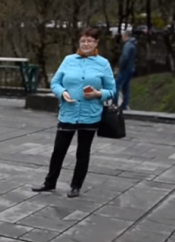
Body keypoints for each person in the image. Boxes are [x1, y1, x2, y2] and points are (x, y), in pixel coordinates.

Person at [32, 27, 116, 198]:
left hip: (90, 114)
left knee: (83, 152)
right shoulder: (68, 60)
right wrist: (62, 93)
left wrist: (98, 94)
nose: (86, 44)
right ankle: (49, 183)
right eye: (83, 40)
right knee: (59, 150)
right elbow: (55, 83)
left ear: (96, 43)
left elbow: (112, 90)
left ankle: (76, 186)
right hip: (68, 113)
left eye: (90, 41)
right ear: (79, 42)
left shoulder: (103, 63)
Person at [114, 30, 136, 110]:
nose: (122, 37)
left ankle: (115, 103)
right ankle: (124, 104)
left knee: (116, 85)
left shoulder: (127, 45)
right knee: (126, 87)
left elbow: (125, 57)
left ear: (126, 36)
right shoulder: (133, 45)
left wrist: (120, 67)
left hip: (125, 69)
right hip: (131, 68)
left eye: (123, 36)